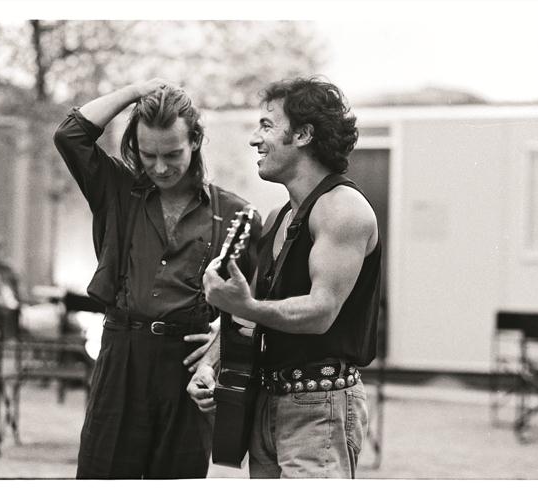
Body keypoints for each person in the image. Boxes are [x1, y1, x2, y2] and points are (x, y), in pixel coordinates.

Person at [53, 79, 261, 479]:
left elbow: (251, 309)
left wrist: (215, 352)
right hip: (122, 355)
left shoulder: (237, 215)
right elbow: (70, 135)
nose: (160, 167)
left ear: (195, 140)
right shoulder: (117, 189)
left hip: (187, 366)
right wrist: (138, 91)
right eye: (148, 154)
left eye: (172, 154)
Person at [188, 77, 380, 478]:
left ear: (304, 134)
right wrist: (209, 365)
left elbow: (321, 311)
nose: (254, 139)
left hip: (320, 407)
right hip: (267, 402)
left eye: (267, 125)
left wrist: (245, 305)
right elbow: (250, 313)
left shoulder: (343, 209)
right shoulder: (279, 217)